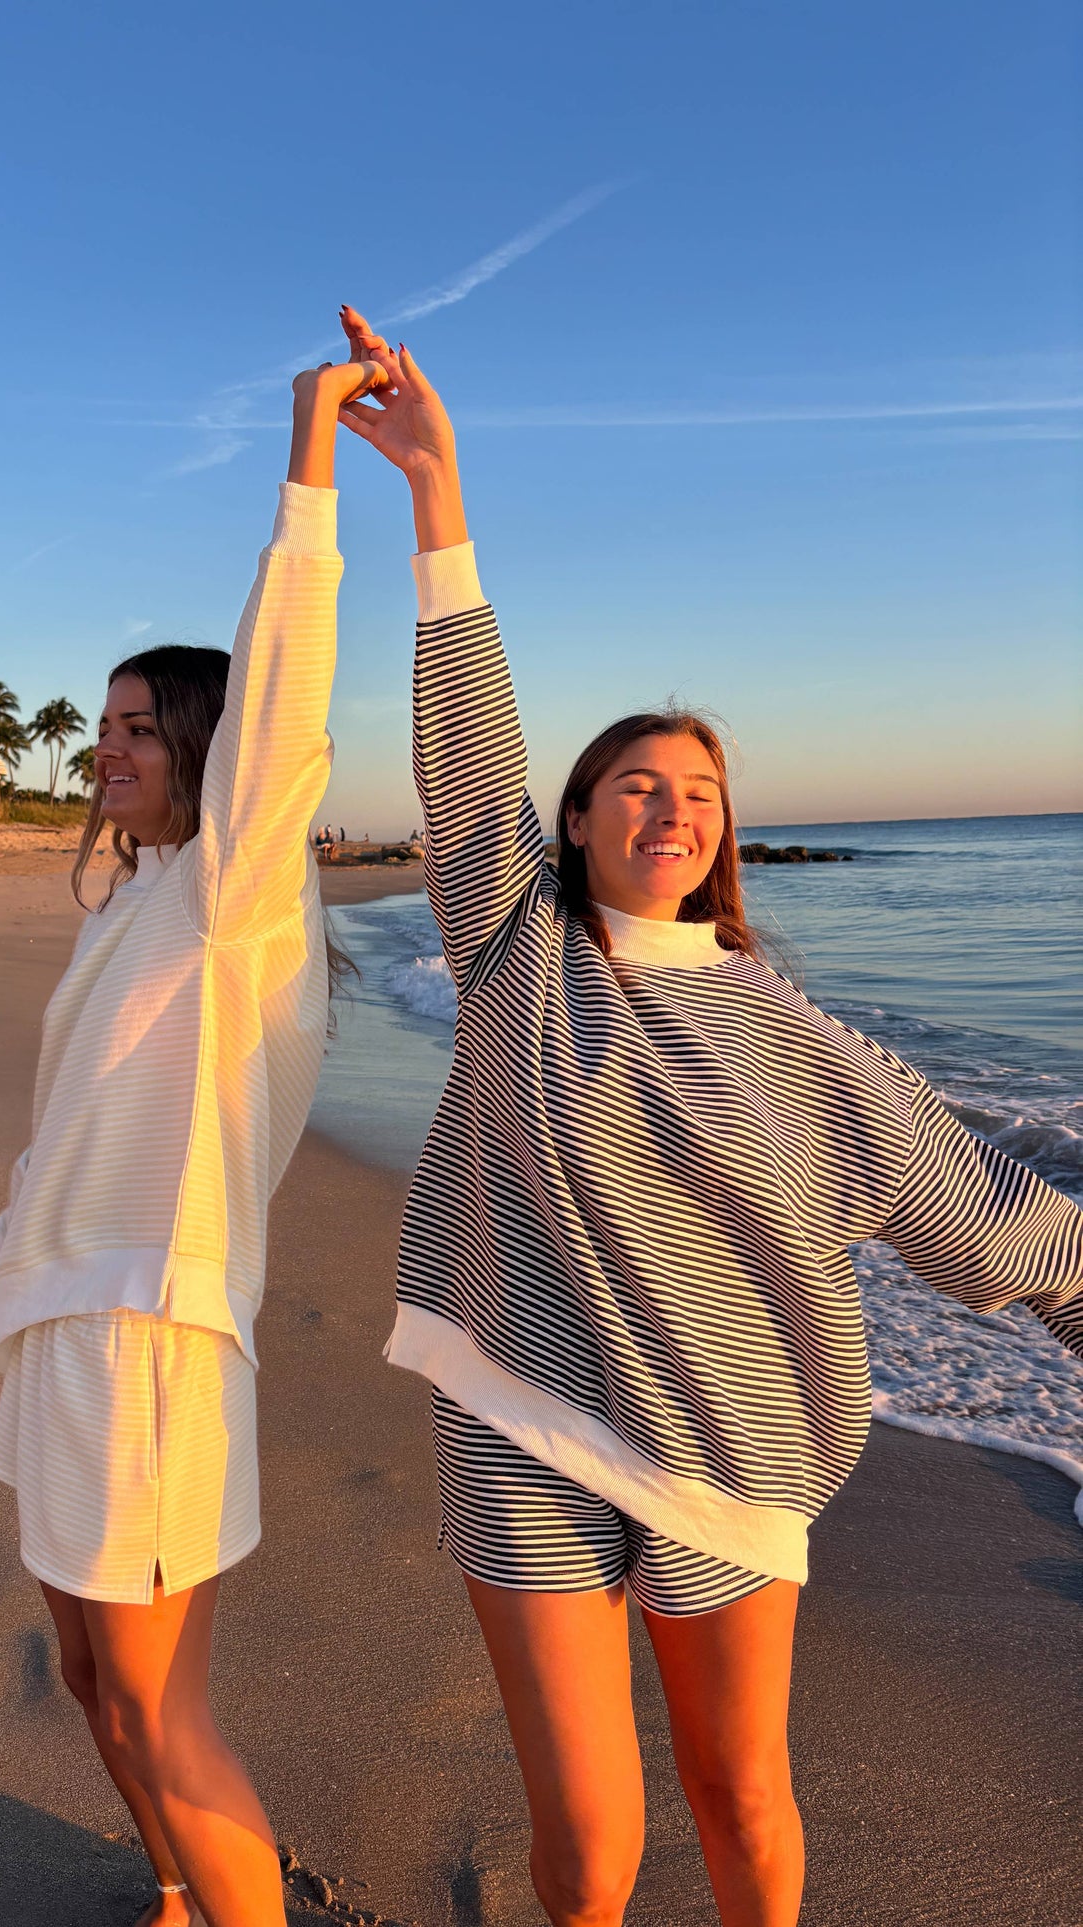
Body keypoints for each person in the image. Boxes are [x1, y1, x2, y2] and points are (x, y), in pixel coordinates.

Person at [336, 308, 1083, 1927]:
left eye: (698, 792)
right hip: (518, 1412)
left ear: (724, 832)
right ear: (577, 820)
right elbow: (465, 770)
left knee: (741, 1794)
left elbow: (956, 1190)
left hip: (724, 1440)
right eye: (635, 785)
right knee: (586, 1842)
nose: (669, 808)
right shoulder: (513, 954)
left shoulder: (788, 1032)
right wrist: (436, 503)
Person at [0, 334, 379, 1927]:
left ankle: (238, 1901)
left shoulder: (228, 899)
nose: (110, 746)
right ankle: (170, 1885)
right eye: (105, 725)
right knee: (88, 1672)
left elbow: (285, 689)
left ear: (211, 749)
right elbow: (64, 1118)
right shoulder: (128, 910)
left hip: (149, 1329)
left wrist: (311, 455)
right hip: (61, 1318)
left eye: (144, 724)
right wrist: (8, 1270)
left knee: (159, 1704)